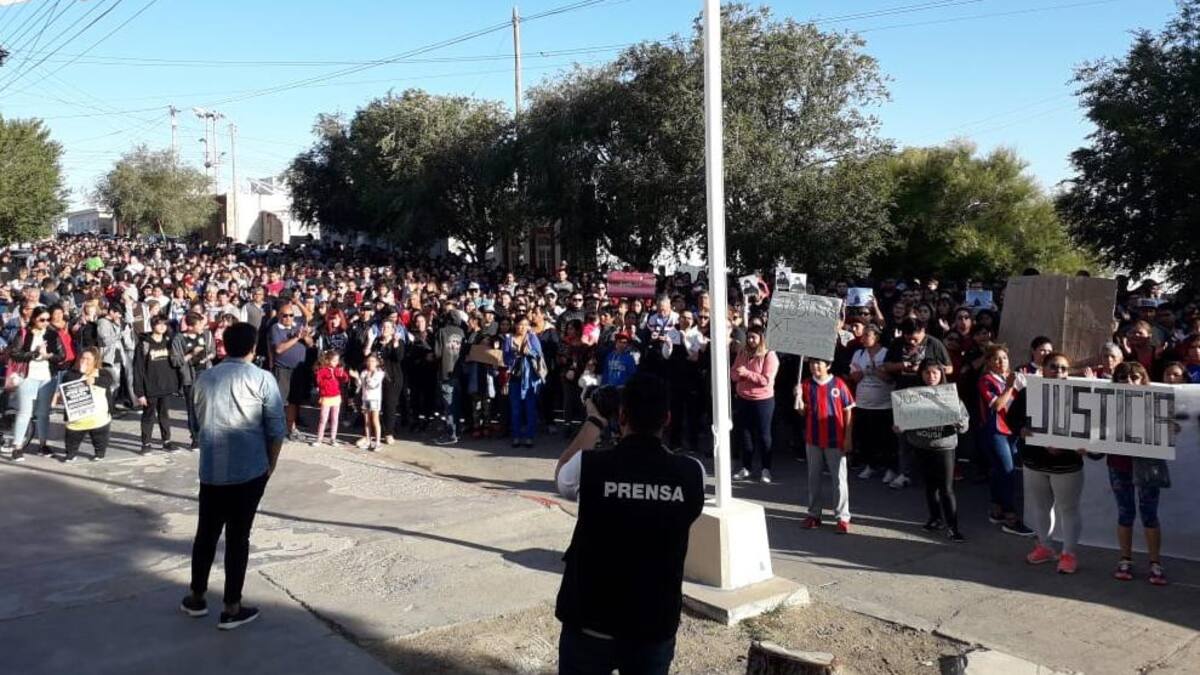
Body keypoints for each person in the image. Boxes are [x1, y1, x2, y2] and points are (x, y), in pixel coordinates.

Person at [553, 373, 705, 675]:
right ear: (668, 419)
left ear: (621, 416)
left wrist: (595, 421)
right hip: (653, 620)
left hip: (591, 618)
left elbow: (561, 477)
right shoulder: (692, 473)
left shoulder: (590, 465)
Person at [181, 322, 285, 631]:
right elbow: (276, 428)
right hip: (250, 470)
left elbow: (196, 424)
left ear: (224, 345)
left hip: (213, 469)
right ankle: (231, 606)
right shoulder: (263, 379)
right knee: (239, 538)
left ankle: (197, 597)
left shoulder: (204, 378)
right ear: (253, 347)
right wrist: (270, 465)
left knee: (206, 534)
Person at [1019, 352, 1088, 574]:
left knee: (1068, 509)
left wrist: (1080, 446)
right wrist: (1022, 430)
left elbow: (1091, 427)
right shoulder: (1029, 392)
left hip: (1066, 464)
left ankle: (1068, 554)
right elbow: (1012, 418)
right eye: (1053, 367)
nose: (1058, 372)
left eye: (1063, 368)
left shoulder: (1079, 396)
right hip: (1035, 462)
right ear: (1043, 368)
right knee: (1041, 506)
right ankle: (1045, 547)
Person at [1108, 362, 1168, 586]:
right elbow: (1098, 437)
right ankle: (1125, 559)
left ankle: (1155, 562)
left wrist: (1169, 430)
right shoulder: (1108, 406)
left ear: (1144, 379)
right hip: (1118, 464)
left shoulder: (1157, 404)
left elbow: (1167, 431)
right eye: (1123, 377)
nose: (1129, 381)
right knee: (1125, 513)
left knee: (1149, 514)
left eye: (1135, 377)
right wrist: (1090, 449)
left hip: (1148, 465)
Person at [898, 359, 969, 542]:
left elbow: (964, 424)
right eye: (927, 373)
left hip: (943, 447)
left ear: (941, 374)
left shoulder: (951, 397)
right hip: (921, 446)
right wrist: (899, 427)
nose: (931, 377)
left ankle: (953, 527)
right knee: (930, 486)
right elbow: (903, 421)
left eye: (935, 373)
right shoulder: (913, 396)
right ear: (921, 374)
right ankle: (935, 518)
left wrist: (959, 423)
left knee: (946, 488)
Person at [978, 344, 1035, 537]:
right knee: (1008, 471)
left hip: (1012, 430)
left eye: (1004, 358)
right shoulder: (986, 380)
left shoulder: (1013, 376)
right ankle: (1011, 517)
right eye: (996, 359)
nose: (1001, 362)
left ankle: (996, 509)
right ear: (988, 362)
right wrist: (1010, 387)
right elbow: (997, 405)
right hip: (995, 430)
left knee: (1000, 470)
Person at [796, 357, 855, 533]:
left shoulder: (838, 384)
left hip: (835, 439)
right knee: (813, 478)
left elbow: (848, 410)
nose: (814, 367)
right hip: (813, 439)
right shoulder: (805, 385)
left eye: (818, 363)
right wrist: (798, 400)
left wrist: (848, 437)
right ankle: (814, 514)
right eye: (811, 363)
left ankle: (842, 517)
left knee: (839, 479)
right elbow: (803, 412)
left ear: (827, 365)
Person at [7, 306, 66, 457]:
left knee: (43, 412)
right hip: (27, 376)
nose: (45, 322)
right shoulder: (24, 333)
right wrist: (34, 354)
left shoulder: (53, 334)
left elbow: (62, 355)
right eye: (42, 320)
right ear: (34, 319)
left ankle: (43, 444)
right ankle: (17, 446)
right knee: (24, 412)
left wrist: (48, 356)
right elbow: (14, 353)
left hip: (47, 376)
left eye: (48, 319)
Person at [730, 325, 779, 483]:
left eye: (754, 338)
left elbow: (766, 380)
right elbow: (733, 372)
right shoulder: (742, 352)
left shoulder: (769, 355)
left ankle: (766, 469)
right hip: (744, 398)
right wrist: (738, 375)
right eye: (749, 337)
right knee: (745, 434)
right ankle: (746, 467)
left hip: (763, 401)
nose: (751, 341)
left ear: (761, 339)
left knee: (764, 435)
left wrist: (747, 374)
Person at [848, 324, 897, 483]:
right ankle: (870, 465)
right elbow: (855, 377)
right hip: (863, 403)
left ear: (876, 336)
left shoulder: (886, 353)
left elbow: (890, 378)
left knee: (886, 438)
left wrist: (875, 370)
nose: (863, 339)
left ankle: (890, 468)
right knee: (867, 437)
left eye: (867, 335)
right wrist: (864, 372)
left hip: (884, 404)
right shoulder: (858, 353)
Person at [54, 347, 115, 462]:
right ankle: (71, 454)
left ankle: (99, 453)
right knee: (72, 439)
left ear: (95, 360)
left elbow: (108, 382)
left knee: (100, 438)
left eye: (88, 359)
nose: (84, 361)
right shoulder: (70, 374)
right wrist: (81, 374)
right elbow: (67, 387)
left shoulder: (103, 373)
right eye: (82, 358)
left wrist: (94, 380)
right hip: (77, 418)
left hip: (98, 418)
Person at [133, 315, 181, 454]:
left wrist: (176, 384)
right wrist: (140, 392)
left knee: (164, 415)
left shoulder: (168, 342)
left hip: (165, 386)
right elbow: (138, 369)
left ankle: (166, 441)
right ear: (153, 325)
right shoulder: (144, 344)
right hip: (150, 387)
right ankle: (146, 444)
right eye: (159, 324)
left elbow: (174, 364)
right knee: (148, 416)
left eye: (164, 324)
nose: (162, 327)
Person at [269, 304, 314, 439]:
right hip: (282, 369)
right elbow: (279, 349)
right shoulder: (275, 328)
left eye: (291, 315)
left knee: (294, 400)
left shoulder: (298, 326)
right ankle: (277, 428)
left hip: (298, 370)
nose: (288, 318)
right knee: (280, 401)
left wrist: (305, 337)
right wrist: (296, 338)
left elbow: (311, 344)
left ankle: (291, 428)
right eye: (285, 315)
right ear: (279, 316)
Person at [171, 313, 215, 449]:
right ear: (190, 326)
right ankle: (195, 437)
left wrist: (206, 358)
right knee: (192, 408)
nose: (203, 327)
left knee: (208, 407)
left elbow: (212, 351)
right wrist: (191, 354)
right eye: (199, 324)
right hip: (189, 377)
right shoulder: (179, 338)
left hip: (205, 374)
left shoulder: (207, 334)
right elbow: (176, 361)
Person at [503, 316, 545, 448]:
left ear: (528, 327)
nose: (522, 327)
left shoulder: (532, 338)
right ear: (515, 325)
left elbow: (539, 355)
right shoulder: (509, 339)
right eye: (519, 325)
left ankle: (529, 436)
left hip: (531, 379)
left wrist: (530, 352)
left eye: (525, 325)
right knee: (515, 409)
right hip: (515, 378)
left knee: (530, 409)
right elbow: (505, 359)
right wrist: (513, 356)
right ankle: (516, 436)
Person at [312, 350, 349, 447]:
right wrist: (326, 380)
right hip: (326, 397)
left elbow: (345, 379)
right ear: (327, 360)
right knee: (323, 419)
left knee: (335, 419)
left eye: (337, 360)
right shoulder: (322, 370)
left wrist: (343, 375)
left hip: (336, 397)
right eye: (334, 360)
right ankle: (319, 439)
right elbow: (318, 381)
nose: (336, 362)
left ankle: (333, 438)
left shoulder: (338, 370)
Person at [357, 353, 385, 450]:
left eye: (372, 361)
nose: (370, 363)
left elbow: (373, 385)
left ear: (377, 362)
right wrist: (357, 378)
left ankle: (377, 442)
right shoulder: (363, 372)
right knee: (367, 421)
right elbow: (360, 385)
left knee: (375, 420)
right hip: (366, 398)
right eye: (368, 361)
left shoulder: (380, 373)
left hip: (375, 399)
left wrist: (368, 377)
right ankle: (368, 440)